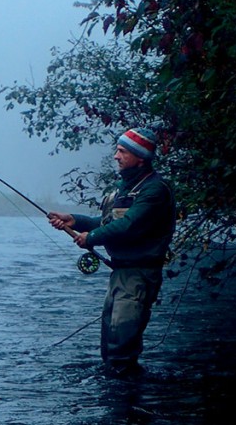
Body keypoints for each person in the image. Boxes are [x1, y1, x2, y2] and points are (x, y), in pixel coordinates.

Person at [47, 127, 176, 377]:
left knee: (121, 347)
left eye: (122, 151)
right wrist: (75, 220)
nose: (116, 156)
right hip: (120, 274)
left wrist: (91, 239)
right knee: (110, 344)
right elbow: (108, 223)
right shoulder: (124, 188)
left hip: (140, 275)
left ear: (140, 157)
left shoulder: (155, 190)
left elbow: (129, 226)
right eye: (117, 150)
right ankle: (116, 397)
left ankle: (128, 405)